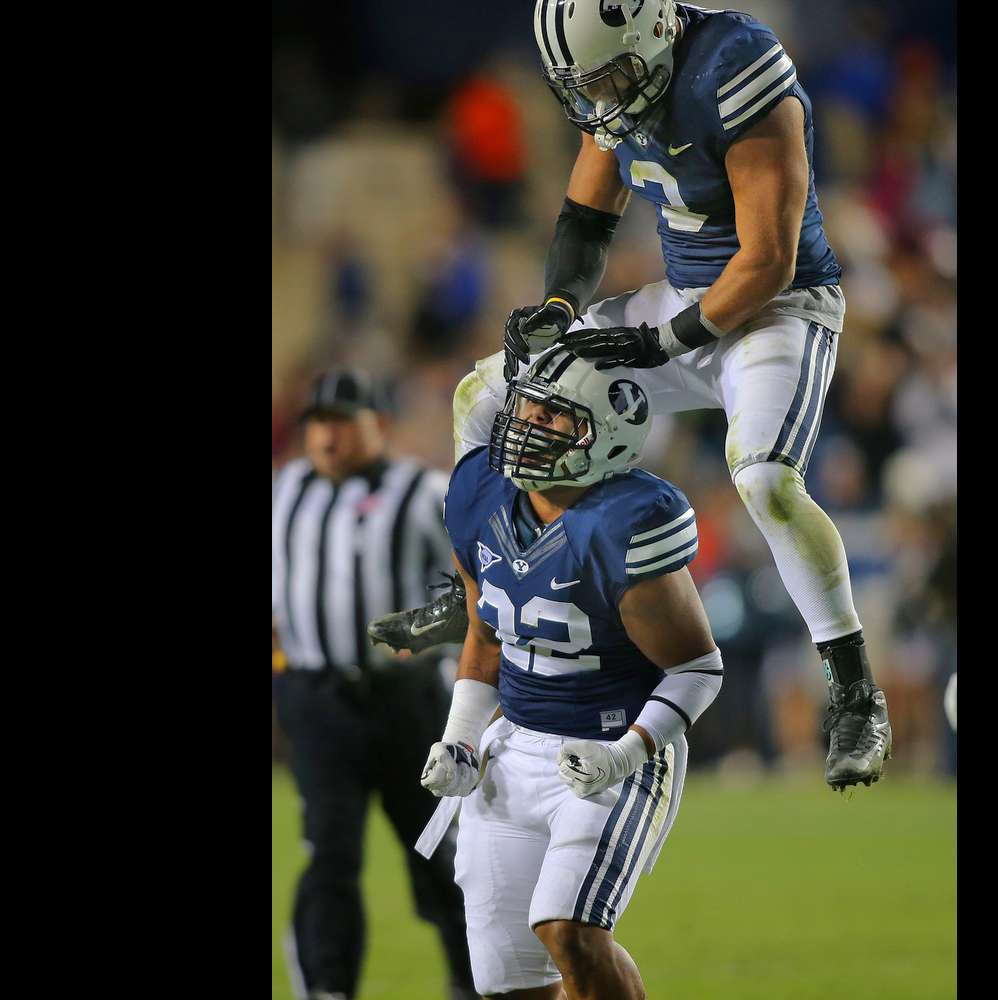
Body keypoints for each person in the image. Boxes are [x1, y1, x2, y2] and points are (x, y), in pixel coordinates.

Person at [423, 0, 890, 790]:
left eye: (609, 78)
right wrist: (559, 311)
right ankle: (481, 580)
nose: (601, 100)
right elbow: (584, 218)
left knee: (765, 479)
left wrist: (657, 342)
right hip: (683, 298)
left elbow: (769, 258)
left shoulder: (732, 65)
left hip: (778, 309)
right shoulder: (620, 81)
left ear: (654, 35)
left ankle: (852, 687)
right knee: (488, 394)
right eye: (587, 85)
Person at [397, 348, 723, 1000]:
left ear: (606, 436)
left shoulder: (624, 522)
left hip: (611, 747)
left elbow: (696, 668)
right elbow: (484, 637)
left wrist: (626, 754)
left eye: (555, 416)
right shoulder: (479, 495)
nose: (528, 423)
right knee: (508, 983)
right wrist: (461, 739)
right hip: (513, 748)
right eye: (529, 407)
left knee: (570, 931)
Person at [272, 368, 479, 1000]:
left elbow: (479, 588)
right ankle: (328, 989)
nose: (327, 439)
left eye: (342, 424)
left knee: (442, 859)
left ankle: (477, 984)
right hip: (317, 700)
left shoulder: (423, 492)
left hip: (408, 703)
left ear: (379, 426)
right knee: (329, 857)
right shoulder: (284, 491)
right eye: (318, 425)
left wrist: (425, 630)